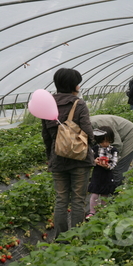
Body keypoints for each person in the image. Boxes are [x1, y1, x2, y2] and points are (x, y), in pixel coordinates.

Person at [41, 68, 95, 238]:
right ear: (73, 85)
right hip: (79, 160)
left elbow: (46, 136)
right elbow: (88, 131)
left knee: (61, 200)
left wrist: (51, 157)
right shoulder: (78, 104)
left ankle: (61, 238)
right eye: (78, 82)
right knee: (78, 200)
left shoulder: (47, 105)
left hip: (57, 159)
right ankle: (76, 238)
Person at [90, 115, 133, 187]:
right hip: (120, 137)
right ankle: (105, 187)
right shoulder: (81, 127)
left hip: (131, 136)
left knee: (117, 167)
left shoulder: (98, 125)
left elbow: (116, 145)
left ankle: (115, 192)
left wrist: (105, 160)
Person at [86, 126, 118, 219]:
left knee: (105, 194)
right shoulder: (95, 149)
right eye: (102, 141)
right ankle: (92, 212)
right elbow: (89, 157)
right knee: (94, 194)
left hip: (107, 174)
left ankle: (104, 211)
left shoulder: (113, 150)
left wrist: (108, 166)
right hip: (97, 174)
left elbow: (114, 162)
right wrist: (94, 161)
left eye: (107, 141)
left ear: (111, 140)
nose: (105, 143)